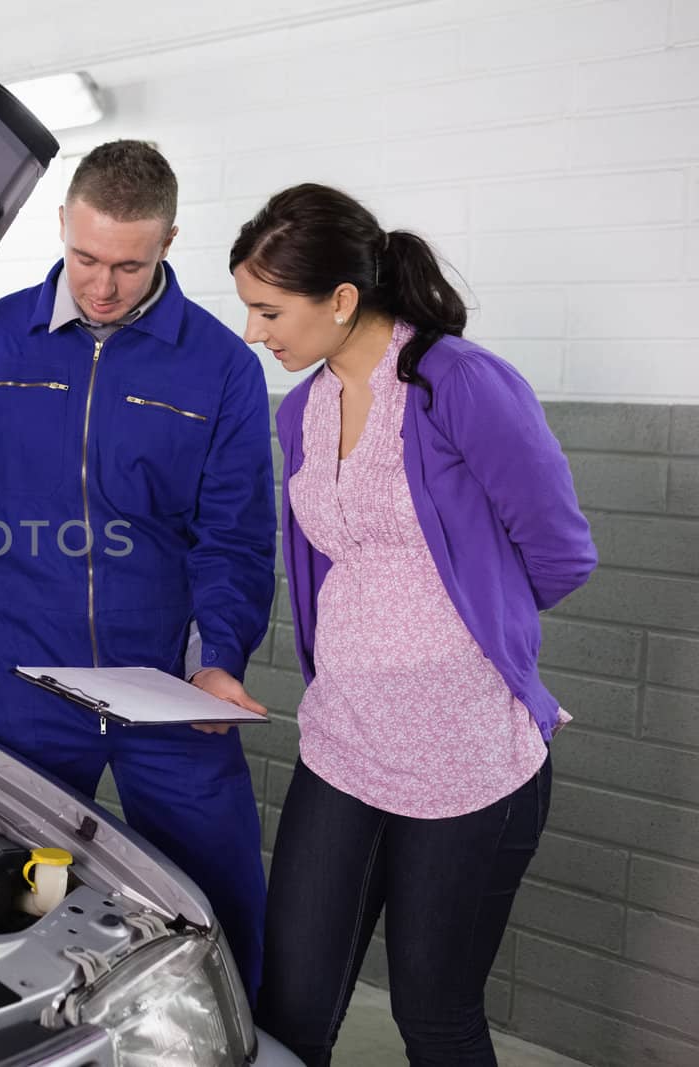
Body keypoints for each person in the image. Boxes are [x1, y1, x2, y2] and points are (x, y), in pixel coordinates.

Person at [0, 140, 276, 996]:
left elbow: (234, 537)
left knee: (217, 894)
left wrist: (220, 659)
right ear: (63, 226)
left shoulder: (221, 369)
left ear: (169, 240)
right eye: (86, 257)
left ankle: (239, 1039)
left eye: (129, 265)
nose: (103, 285)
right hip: (25, 680)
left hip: (167, 689)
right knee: (26, 890)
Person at [230, 183, 596, 1066]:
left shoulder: (458, 383)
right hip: (346, 745)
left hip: (466, 755)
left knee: (433, 1016)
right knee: (290, 1008)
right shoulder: (300, 410)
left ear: (342, 299)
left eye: (269, 310)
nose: (256, 332)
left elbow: (559, 549)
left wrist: (469, 631)